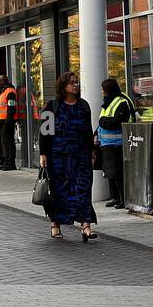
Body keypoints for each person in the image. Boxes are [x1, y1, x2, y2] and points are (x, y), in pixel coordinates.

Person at [39, 71, 98, 241]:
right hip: (58, 157)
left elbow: (88, 130)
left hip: (80, 156)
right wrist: (43, 153)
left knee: (83, 189)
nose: (76, 85)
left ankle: (86, 225)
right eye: (72, 82)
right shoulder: (52, 106)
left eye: (77, 82)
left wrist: (92, 149)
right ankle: (55, 224)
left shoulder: (84, 106)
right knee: (59, 191)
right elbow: (45, 132)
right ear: (63, 85)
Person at [96, 77, 135, 209]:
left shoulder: (121, 101)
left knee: (118, 173)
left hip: (118, 143)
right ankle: (115, 197)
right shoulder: (108, 102)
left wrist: (103, 122)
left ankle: (123, 199)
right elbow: (102, 119)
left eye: (103, 89)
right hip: (107, 143)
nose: (102, 92)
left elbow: (118, 121)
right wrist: (96, 134)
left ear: (108, 90)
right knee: (110, 172)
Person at [0, 74, 18, 170]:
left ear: (4, 81)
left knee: (9, 142)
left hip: (7, 121)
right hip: (2, 121)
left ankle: (11, 163)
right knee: (5, 143)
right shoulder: (4, 92)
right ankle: (7, 162)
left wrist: (8, 121)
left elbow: (11, 107)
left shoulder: (10, 92)